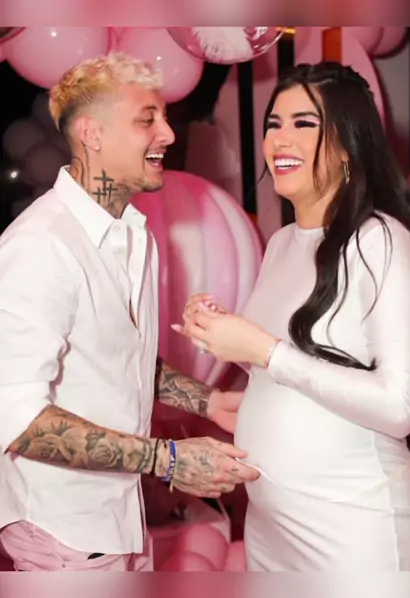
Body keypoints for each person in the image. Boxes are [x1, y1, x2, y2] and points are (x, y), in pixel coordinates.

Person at [177, 61, 410, 571]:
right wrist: (223, 336)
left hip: (355, 527)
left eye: (304, 123)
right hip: (270, 526)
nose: (280, 139)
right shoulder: (282, 243)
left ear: (349, 143)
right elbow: (296, 371)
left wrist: (264, 351)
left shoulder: (380, 240)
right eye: (273, 124)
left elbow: (398, 406)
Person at [0, 52, 259, 572]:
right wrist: (168, 459)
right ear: (92, 134)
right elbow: (17, 420)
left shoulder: (134, 232)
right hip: (63, 532)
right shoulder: (40, 245)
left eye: (164, 117)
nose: (168, 133)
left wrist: (208, 400)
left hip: (119, 518)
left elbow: (118, 356)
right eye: (147, 119)